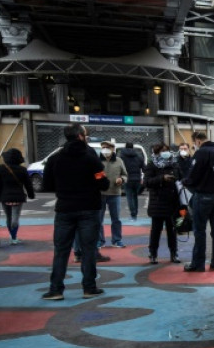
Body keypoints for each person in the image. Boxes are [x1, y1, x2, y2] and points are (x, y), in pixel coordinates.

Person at [42, 123, 109, 300]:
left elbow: (47, 184)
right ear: (80, 136)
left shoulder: (55, 158)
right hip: (89, 207)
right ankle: (89, 287)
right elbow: (102, 182)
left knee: (61, 250)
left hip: (65, 208)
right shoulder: (91, 157)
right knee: (88, 250)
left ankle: (56, 289)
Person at [181, 131, 214, 272]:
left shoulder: (202, 153)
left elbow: (194, 174)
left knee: (199, 231)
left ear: (197, 141)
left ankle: (198, 264)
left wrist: (185, 181)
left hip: (204, 195)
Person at [144, 143, 181, 264]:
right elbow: (147, 182)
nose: (166, 153)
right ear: (157, 153)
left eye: (167, 150)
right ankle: (153, 253)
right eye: (162, 151)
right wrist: (162, 178)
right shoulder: (152, 164)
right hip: (157, 202)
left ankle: (173, 253)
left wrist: (176, 178)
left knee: (172, 230)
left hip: (172, 201)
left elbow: (181, 177)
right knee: (156, 230)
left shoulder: (174, 164)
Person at [0, 148, 35, 245]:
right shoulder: (22, 170)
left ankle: (12, 235)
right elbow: (28, 184)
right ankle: (14, 237)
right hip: (18, 197)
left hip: (4, 197)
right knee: (15, 218)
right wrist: (31, 195)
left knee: (8, 217)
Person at [97, 141, 127, 248]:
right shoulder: (97, 160)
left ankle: (117, 240)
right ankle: (100, 240)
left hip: (115, 193)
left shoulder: (119, 161)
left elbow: (125, 175)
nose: (105, 149)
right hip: (100, 194)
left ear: (113, 149)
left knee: (116, 219)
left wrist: (121, 179)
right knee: (98, 219)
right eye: (103, 147)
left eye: (107, 147)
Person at [119, 142, 145, 221]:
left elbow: (120, 168)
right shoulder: (138, 156)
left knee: (129, 197)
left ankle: (133, 215)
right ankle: (135, 213)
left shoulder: (122, 156)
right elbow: (144, 167)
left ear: (125, 147)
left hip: (127, 178)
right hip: (137, 178)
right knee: (135, 197)